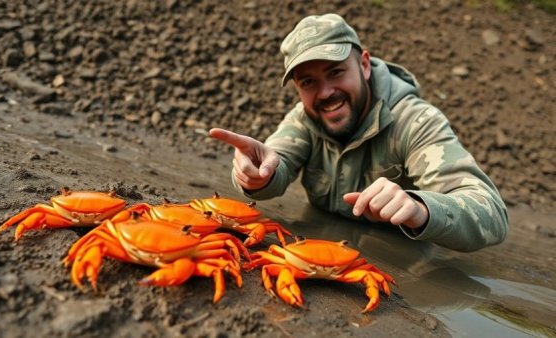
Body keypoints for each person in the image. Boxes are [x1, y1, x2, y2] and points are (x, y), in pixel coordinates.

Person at [209, 13, 508, 252]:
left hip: (404, 262)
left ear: (364, 65)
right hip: (320, 248)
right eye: (308, 82)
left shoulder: (415, 122)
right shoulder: (303, 119)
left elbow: (491, 213)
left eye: (336, 72)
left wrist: (421, 209)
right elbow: (277, 162)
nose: (326, 92)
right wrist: (258, 176)